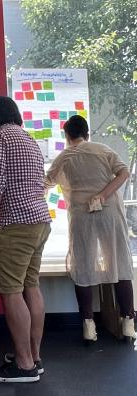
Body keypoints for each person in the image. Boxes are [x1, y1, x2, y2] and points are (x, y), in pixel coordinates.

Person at [0, 96, 51, 383]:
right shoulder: (28, 138)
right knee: (31, 286)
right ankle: (34, 356)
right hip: (40, 221)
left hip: (16, 224)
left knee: (11, 292)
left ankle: (23, 365)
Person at [45, 115, 136, 342]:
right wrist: (103, 195)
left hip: (81, 216)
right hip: (109, 213)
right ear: (87, 133)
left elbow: (46, 182)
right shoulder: (102, 149)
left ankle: (88, 325)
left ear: (67, 136)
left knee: (83, 265)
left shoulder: (65, 156)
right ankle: (128, 322)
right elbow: (124, 172)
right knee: (120, 262)